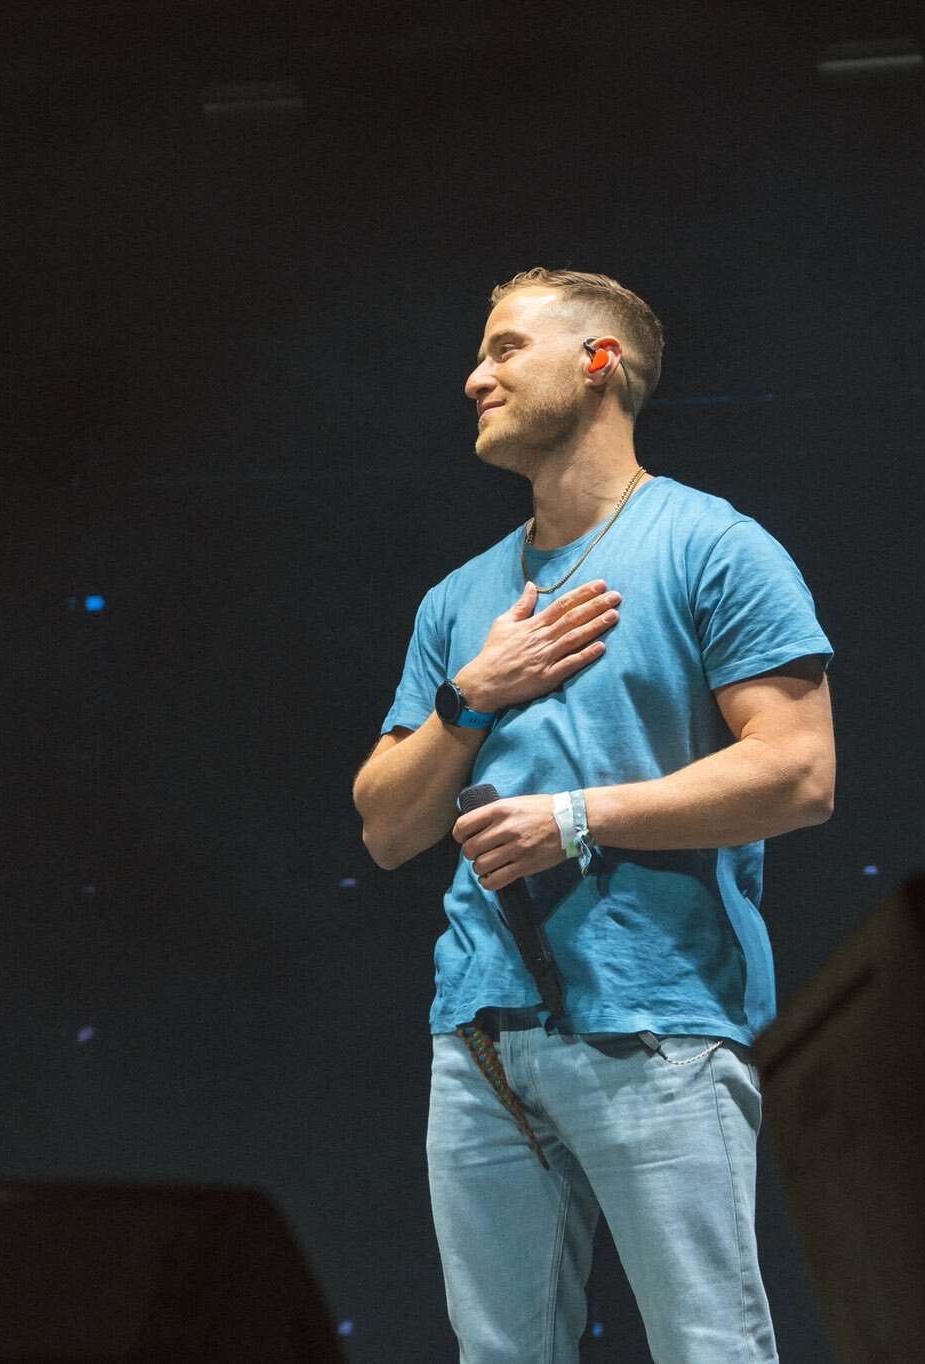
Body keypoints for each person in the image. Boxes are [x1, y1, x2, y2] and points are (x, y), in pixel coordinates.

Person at [352, 269, 834, 1363]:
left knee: (708, 1347)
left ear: (598, 362)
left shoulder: (712, 546)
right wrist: (471, 693)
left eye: (506, 348)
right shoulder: (455, 602)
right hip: (478, 1040)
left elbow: (800, 773)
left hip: (656, 1024)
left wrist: (574, 816)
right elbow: (384, 826)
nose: (475, 376)